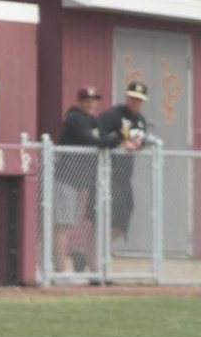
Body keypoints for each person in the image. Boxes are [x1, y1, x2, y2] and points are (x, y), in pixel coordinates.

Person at [52, 86, 120, 273]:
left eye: (93, 100)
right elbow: (90, 141)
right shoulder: (75, 118)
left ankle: (59, 268)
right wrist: (112, 140)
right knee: (62, 225)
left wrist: (114, 138)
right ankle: (59, 270)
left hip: (77, 181)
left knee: (67, 224)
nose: (91, 103)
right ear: (79, 101)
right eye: (87, 100)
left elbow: (102, 138)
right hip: (64, 179)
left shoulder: (92, 120)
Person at [96, 81, 148, 250]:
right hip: (107, 172)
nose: (135, 102)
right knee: (104, 211)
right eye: (132, 98)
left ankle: (106, 246)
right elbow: (98, 134)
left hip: (125, 174)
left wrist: (139, 144)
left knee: (127, 208)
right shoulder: (114, 114)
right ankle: (99, 250)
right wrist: (119, 143)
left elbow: (141, 140)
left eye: (139, 100)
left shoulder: (140, 120)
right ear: (127, 96)